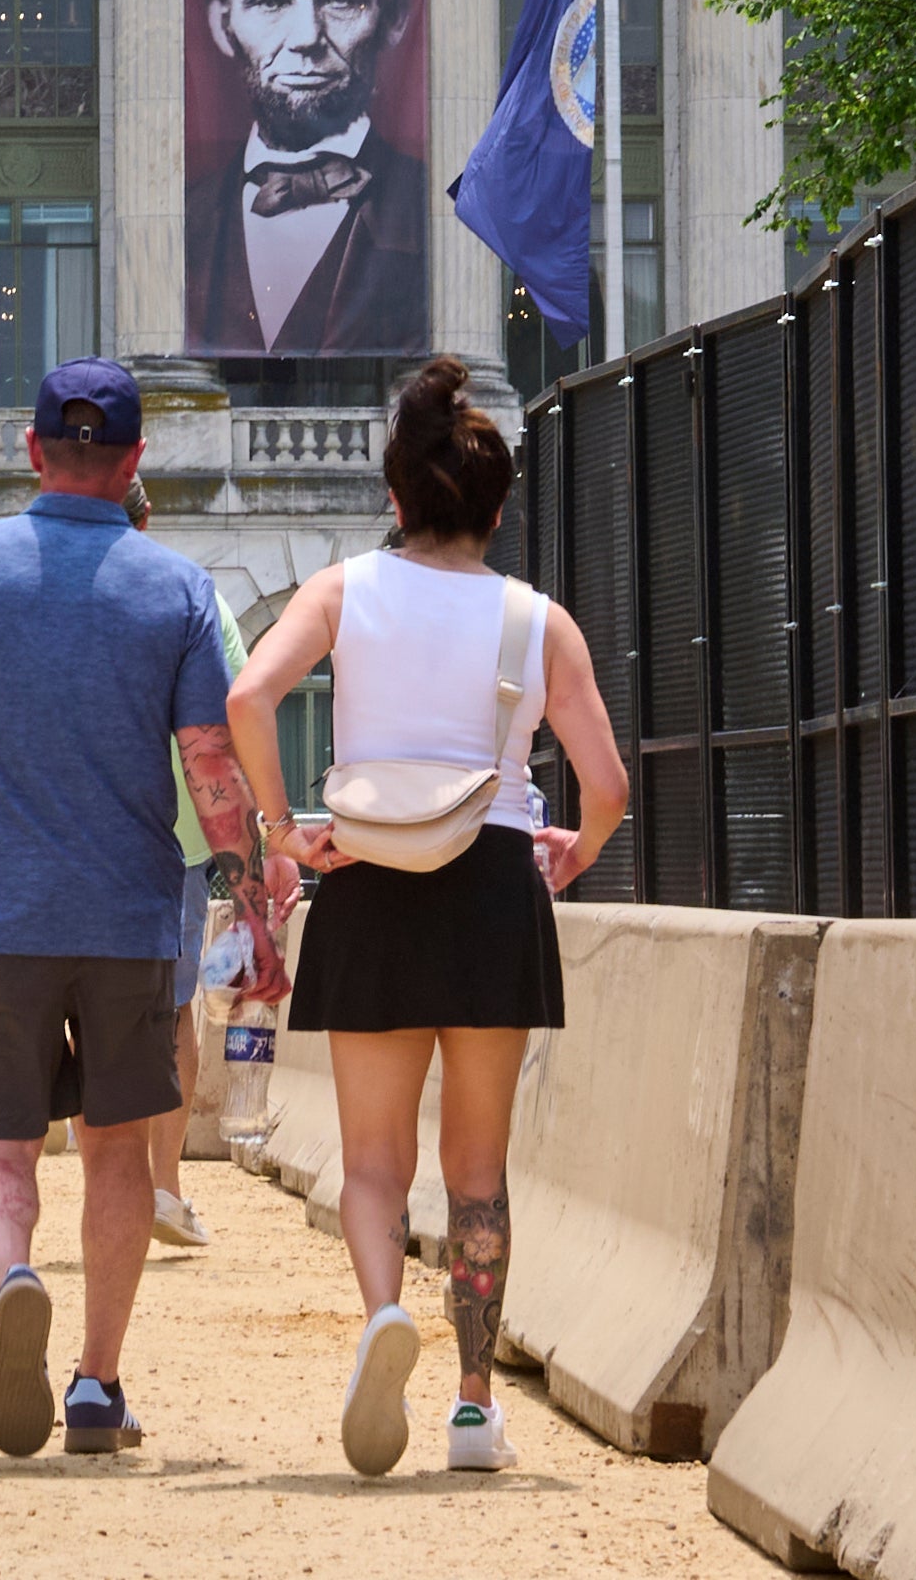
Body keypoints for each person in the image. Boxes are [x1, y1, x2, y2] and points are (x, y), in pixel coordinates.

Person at [226, 356, 629, 1478]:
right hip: (493, 879)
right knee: (477, 1168)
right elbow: (606, 785)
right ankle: (471, 1406)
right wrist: (576, 849)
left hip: (367, 873)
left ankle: (380, 1318)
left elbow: (248, 696)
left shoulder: (341, 590)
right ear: (496, 509)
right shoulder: (536, 620)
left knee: (371, 1160)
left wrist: (280, 829)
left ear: (395, 495)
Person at [0, 359, 289, 1458]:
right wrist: (250, 901)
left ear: (31, 450)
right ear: (134, 459)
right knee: (115, 1152)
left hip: (0, 918)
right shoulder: (175, 589)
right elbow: (209, 763)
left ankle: (12, 1275)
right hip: (129, 920)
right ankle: (98, 1385)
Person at [183, 0, 426, 357]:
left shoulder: (434, 213)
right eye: (270, 1)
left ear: (395, 16)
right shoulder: (180, 222)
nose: (305, 37)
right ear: (222, 25)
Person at [122, 477, 249, 1253]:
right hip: (175, 839)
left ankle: (112, 1182)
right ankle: (163, 1187)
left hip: (75, 838)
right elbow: (235, 716)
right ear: (147, 519)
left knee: (87, 1006)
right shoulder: (192, 597)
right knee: (171, 1012)